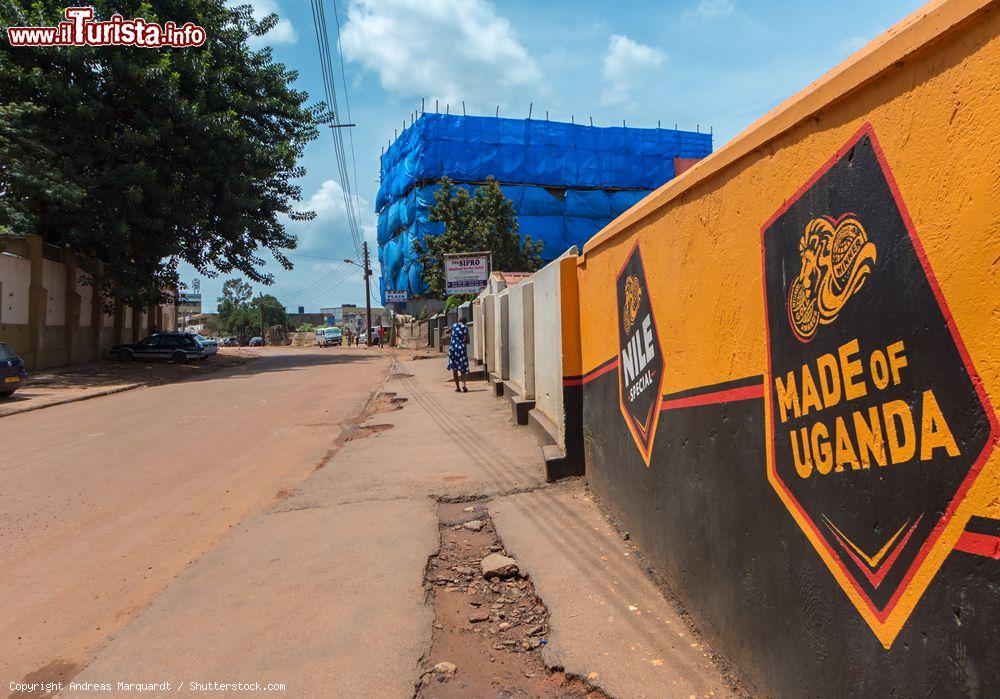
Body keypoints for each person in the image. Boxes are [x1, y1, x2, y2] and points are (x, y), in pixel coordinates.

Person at [447, 320, 469, 392]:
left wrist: (452, 329)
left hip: (453, 348)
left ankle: (458, 387)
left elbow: (447, 331)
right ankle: (464, 385)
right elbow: (468, 341)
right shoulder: (465, 327)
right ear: (465, 322)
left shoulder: (454, 325)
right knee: (463, 367)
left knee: (454, 368)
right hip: (461, 349)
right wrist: (462, 340)